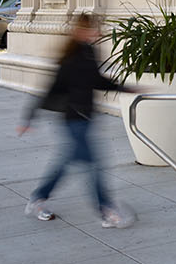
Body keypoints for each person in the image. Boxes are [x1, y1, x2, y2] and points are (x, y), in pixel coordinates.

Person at [17, 11, 135, 228]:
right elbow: (50, 88)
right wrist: (29, 117)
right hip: (74, 120)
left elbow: (96, 80)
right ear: (82, 31)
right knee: (95, 165)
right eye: (93, 28)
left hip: (85, 118)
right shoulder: (71, 58)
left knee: (65, 164)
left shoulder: (89, 51)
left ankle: (38, 198)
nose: (98, 32)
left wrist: (126, 87)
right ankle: (106, 210)